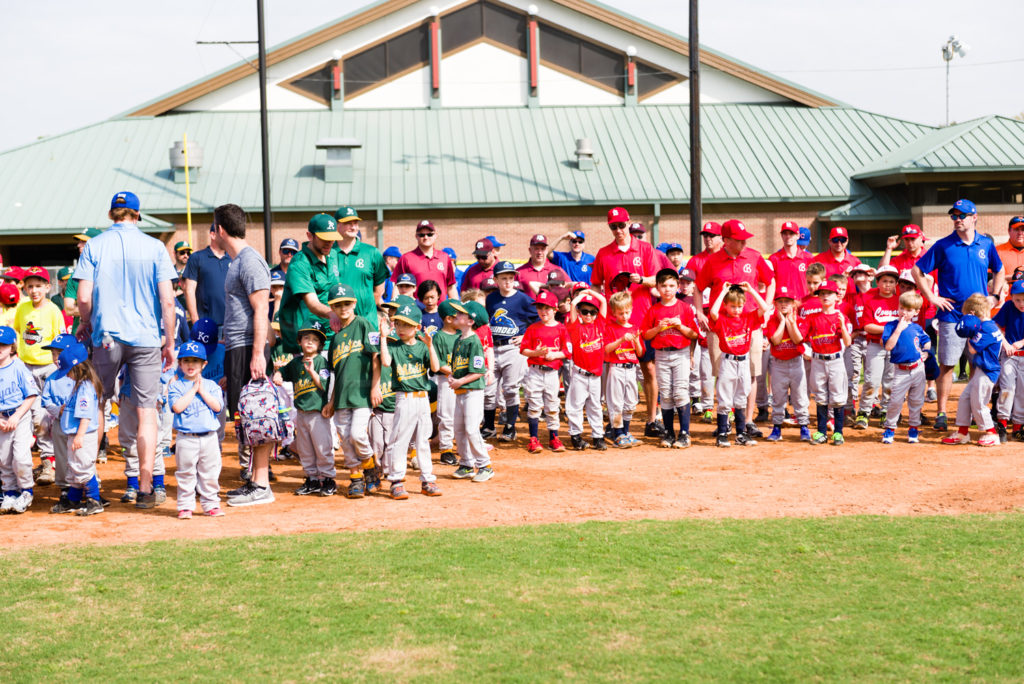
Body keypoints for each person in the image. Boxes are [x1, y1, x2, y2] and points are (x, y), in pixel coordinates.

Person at [74, 191, 177, 509]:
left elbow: (83, 298)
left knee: (97, 405)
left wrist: (86, 324)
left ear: (112, 214)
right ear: (137, 215)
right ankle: (146, 486)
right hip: (146, 337)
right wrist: (170, 340)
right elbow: (169, 301)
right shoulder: (155, 246)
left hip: (106, 336)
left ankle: (90, 484)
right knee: (147, 412)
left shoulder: (94, 244)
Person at [912, 199, 1005, 431]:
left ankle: (974, 410)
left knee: (977, 364)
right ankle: (942, 413)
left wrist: (994, 295)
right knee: (947, 364)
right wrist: (932, 298)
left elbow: (1000, 269)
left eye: (962, 215)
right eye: (954, 215)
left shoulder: (985, 243)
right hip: (951, 315)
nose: (957, 219)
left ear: (975, 217)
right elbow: (917, 270)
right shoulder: (944, 245)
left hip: (980, 318)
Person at [211, 203, 274, 507]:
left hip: (250, 346)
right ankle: (255, 480)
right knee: (244, 417)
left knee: (256, 415)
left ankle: (262, 485)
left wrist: (257, 354)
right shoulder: (238, 261)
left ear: (221, 230)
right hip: (239, 349)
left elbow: (262, 308)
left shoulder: (249, 261)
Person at [694, 219, 775, 439]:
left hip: (751, 322)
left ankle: (746, 421)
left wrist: (766, 308)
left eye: (745, 239)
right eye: (739, 240)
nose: (744, 243)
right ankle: (725, 421)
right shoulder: (713, 261)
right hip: (720, 325)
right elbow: (698, 288)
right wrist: (700, 312)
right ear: (726, 240)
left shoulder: (754, 256)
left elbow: (771, 281)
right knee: (722, 373)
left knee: (750, 371)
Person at [591, 207, 663, 438]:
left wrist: (641, 279)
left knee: (649, 369)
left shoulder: (644, 248)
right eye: (614, 226)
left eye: (622, 225)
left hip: (642, 319)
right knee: (614, 372)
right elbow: (595, 284)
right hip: (614, 323)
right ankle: (615, 422)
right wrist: (600, 312)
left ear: (629, 223)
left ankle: (652, 419)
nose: (618, 230)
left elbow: (657, 281)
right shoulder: (604, 253)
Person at [323, 284, 381, 499]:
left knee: (357, 435)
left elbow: (375, 359)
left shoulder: (364, 324)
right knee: (346, 440)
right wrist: (331, 401)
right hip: (341, 399)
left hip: (362, 394)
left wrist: (375, 387)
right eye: (338, 305)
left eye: (347, 303)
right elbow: (338, 374)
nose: (343, 308)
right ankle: (356, 477)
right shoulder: (336, 339)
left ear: (354, 303)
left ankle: (370, 466)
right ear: (333, 308)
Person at [380, 301, 442, 497]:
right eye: (398, 324)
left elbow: (436, 368)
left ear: (417, 327)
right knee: (400, 439)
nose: (401, 328)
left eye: (406, 325)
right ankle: (396, 480)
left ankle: (427, 479)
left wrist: (430, 346)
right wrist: (383, 338)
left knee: (423, 440)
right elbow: (386, 362)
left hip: (422, 398)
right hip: (404, 398)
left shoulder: (423, 347)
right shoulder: (394, 346)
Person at [14, 266, 65, 481]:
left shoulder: (53, 309)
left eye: (38, 286)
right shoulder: (22, 308)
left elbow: (60, 338)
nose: (34, 290)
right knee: (31, 415)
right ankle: (37, 461)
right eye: (30, 286)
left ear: (47, 287)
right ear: (24, 288)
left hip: (47, 367)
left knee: (46, 415)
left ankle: (49, 461)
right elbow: (18, 333)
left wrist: (60, 364)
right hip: (25, 367)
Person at [273, 321, 334, 497]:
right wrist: (278, 373)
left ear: (320, 345)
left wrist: (312, 371)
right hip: (301, 413)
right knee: (305, 449)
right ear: (299, 341)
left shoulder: (322, 361)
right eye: (306, 338)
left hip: (318, 413)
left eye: (314, 339)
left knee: (323, 447)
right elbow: (283, 372)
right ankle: (312, 479)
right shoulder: (296, 362)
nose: (309, 342)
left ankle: (328, 479)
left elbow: (323, 386)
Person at [642, 268, 699, 448]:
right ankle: (668, 432)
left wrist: (680, 326)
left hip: (680, 353)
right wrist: (658, 328)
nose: (667, 289)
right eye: (664, 285)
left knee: (680, 391)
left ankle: (684, 433)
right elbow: (646, 335)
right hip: (661, 354)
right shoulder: (654, 310)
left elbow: (694, 334)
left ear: (677, 287)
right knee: (665, 393)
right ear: (657, 287)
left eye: (672, 285)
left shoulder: (685, 308)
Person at [169, 341, 225, 518]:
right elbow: (177, 407)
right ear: (180, 364)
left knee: (210, 473)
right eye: (186, 361)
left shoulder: (211, 386)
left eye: (195, 361)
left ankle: (211, 504)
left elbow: (217, 407)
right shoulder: (176, 386)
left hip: (209, 437)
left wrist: (202, 390)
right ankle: (185, 506)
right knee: (186, 473)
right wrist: (193, 390)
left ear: (204, 364)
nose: (191, 365)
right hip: (186, 438)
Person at [709, 282, 769, 448]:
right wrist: (723, 292)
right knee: (725, 399)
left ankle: (741, 434)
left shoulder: (748, 318)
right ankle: (722, 434)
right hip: (728, 361)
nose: (736, 309)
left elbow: (764, 308)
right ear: (726, 306)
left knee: (741, 398)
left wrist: (751, 291)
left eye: (740, 306)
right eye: (733, 306)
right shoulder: (722, 319)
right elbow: (713, 312)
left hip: (743, 361)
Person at [484, 261, 538, 441]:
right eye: (503, 278)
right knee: (489, 389)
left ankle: (510, 427)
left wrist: (525, 337)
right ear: (495, 280)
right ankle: (489, 426)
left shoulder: (523, 299)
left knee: (510, 389)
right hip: (493, 348)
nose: (508, 281)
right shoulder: (491, 299)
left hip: (513, 349)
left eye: (510, 278)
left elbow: (538, 322)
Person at [942, 297, 1006, 447]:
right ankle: (963, 433)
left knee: (978, 403)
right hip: (981, 370)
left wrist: (969, 331)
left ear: (972, 314)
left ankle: (992, 433)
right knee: (965, 398)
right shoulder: (986, 326)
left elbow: (972, 349)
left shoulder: (987, 328)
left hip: (987, 372)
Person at [50, 342, 105, 516]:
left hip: (83, 434)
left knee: (82, 468)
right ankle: (73, 500)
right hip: (75, 433)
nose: (67, 374)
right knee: (74, 468)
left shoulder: (85, 389)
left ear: (78, 369)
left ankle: (94, 500)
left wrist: (80, 436)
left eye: (68, 371)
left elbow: (86, 416)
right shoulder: (79, 385)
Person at [278, 214, 345, 354]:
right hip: (304, 340)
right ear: (310, 236)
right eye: (324, 239)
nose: (329, 243)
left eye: (332, 239)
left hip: (330, 335)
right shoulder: (300, 263)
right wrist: (333, 315)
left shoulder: (332, 255)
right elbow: (312, 303)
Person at [519, 290, 569, 454]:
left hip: (552, 373)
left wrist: (555, 355)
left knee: (552, 405)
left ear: (555, 309)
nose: (543, 311)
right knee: (534, 405)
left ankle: (553, 437)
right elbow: (524, 350)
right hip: (535, 371)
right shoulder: (533, 328)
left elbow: (568, 350)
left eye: (547, 308)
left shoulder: (561, 328)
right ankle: (534, 439)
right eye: (540, 307)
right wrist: (536, 353)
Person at [803, 280, 852, 446]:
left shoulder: (840, 317)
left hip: (835, 360)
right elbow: (801, 338)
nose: (825, 296)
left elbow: (847, 342)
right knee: (821, 397)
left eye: (829, 293)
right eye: (822, 293)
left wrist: (843, 327)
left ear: (836, 296)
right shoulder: (813, 317)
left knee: (838, 397)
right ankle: (822, 432)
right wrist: (804, 350)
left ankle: (838, 432)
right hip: (818, 360)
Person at [449, 301, 493, 482]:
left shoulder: (474, 341)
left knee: (471, 429)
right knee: (458, 429)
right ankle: (467, 464)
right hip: (461, 391)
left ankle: (485, 465)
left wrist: (460, 381)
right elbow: (457, 367)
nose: (457, 316)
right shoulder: (459, 339)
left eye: (461, 314)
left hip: (473, 391)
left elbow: (478, 372)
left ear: (470, 321)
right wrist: (454, 377)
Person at [880, 291, 930, 445]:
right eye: (902, 308)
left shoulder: (917, 327)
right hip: (901, 370)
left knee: (916, 401)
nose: (904, 312)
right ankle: (890, 428)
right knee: (895, 401)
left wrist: (926, 352)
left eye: (909, 310)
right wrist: (898, 329)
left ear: (916, 312)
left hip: (917, 369)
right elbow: (888, 346)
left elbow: (926, 340)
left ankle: (913, 428)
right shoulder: (891, 326)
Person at [855, 265, 901, 429]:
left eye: (891, 281)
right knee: (872, 381)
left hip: (895, 347)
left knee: (890, 382)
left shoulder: (899, 301)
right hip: (875, 346)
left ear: (896, 284)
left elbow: (905, 323)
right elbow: (867, 326)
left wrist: (888, 332)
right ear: (877, 282)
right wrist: (889, 330)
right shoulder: (870, 301)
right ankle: (864, 412)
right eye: (884, 281)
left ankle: (886, 412)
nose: (887, 284)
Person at [0, 326, 40, 514]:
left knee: (21, 456)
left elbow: (31, 395)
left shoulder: (18, 367)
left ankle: (26, 491)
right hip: (1, 419)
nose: (0, 348)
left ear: (12, 347)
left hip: (20, 416)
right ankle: (10, 492)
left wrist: (16, 416)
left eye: (4, 345)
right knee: (4, 458)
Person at [765, 286, 810, 442]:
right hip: (778, 365)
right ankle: (777, 428)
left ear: (793, 304)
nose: (784, 304)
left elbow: (797, 339)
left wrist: (791, 322)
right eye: (780, 301)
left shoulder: (802, 321)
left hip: (796, 362)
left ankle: (804, 427)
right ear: (775, 305)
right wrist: (783, 321)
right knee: (778, 397)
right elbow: (776, 340)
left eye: (788, 301)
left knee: (799, 397)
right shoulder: (771, 321)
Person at [332, 206, 389, 326]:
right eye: (348, 223)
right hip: (336, 323)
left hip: (367, 322)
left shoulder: (372, 252)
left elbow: (379, 290)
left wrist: (361, 310)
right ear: (337, 225)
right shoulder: (328, 254)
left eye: (355, 223)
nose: (353, 227)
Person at [565, 290, 607, 451]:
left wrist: (590, 292)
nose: (588, 315)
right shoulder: (575, 327)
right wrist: (581, 297)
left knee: (595, 406)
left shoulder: (600, 325)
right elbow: (573, 304)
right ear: (579, 313)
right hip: (579, 374)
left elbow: (603, 301)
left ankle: (598, 436)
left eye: (592, 312)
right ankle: (576, 435)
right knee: (575, 405)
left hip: (595, 375)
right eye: (584, 312)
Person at [603, 291, 644, 447]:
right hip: (616, 368)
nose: (624, 316)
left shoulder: (634, 328)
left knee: (631, 402)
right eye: (621, 313)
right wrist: (621, 339)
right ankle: (617, 434)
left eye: (627, 312)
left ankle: (626, 432)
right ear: (614, 313)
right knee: (616, 402)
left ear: (631, 310)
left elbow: (639, 353)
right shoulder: (611, 327)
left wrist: (636, 342)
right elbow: (607, 349)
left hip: (631, 368)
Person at [431, 299, 464, 465]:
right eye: (458, 315)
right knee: (447, 415)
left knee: (463, 415)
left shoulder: (463, 335)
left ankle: (463, 446)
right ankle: (446, 449)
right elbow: (439, 363)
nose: (462, 318)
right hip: (447, 381)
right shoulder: (439, 337)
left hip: (464, 381)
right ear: (449, 319)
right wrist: (456, 372)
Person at [390, 220, 458, 300]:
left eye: (429, 234)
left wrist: (456, 309)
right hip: (415, 310)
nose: (426, 237)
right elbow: (397, 286)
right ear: (416, 236)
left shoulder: (445, 258)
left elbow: (451, 287)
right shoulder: (406, 258)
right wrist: (394, 308)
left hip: (440, 310)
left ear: (435, 235)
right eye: (422, 235)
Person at [182, 224, 232, 326]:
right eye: (223, 234)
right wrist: (195, 320)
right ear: (212, 235)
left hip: (232, 324)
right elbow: (189, 290)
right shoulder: (197, 258)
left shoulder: (233, 258)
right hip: (207, 324)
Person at [994, 280, 1024, 441]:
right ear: (1011, 297)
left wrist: (1021, 342)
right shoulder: (1008, 307)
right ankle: (1002, 423)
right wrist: (1005, 343)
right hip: (1010, 357)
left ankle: (1018, 426)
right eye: (1017, 299)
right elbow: (996, 326)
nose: (1021, 303)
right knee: (1007, 389)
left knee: (1022, 392)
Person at [769, 221, 814, 300]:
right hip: (782, 304)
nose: (788, 236)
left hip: (803, 304)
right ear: (781, 236)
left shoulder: (808, 258)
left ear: (797, 236)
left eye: (791, 234)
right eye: (785, 234)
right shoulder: (774, 259)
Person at [517, 234, 568, 298]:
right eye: (536, 249)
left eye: (542, 249)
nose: (540, 252)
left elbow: (569, 289)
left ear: (547, 250)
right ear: (530, 250)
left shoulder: (558, 270)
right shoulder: (519, 272)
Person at [996, 216, 1024, 297]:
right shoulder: (997, 251)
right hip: (1004, 302)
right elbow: (988, 277)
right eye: (1016, 229)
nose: (1020, 233)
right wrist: (1012, 277)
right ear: (1009, 231)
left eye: (1023, 230)